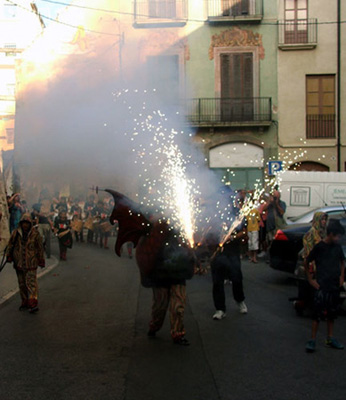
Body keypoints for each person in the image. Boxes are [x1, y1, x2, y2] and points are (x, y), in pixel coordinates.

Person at [305, 219, 345, 353]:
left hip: (333, 284)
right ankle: (312, 339)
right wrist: (310, 279)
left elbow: (342, 262)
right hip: (321, 285)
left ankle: (330, 338)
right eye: (337, 236)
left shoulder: (337, 247)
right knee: (317, 314)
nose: (339, 239)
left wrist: (341, 277)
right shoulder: (320, 247)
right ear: (331, 234)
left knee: (332, 314)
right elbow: (307, 261)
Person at [6, 214, 45, 313]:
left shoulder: (35, 234)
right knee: (22, 284)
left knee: (31, 283)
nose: (25, 226)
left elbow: (40, 248)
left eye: (27, 224)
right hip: (18, 262)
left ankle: (33, 303)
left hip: (31, 263)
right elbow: (10, 245)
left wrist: (41, 259)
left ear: (30, 224)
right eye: (24, 223)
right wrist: (9, 255)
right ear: (21, 224)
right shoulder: (16, 233)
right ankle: (25, 302)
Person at [211, 220, 248, 320]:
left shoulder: (236, 214)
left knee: (236, 277)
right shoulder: (213, 215)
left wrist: (232, 237)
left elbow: (244, 232)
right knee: (217, 281)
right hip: (217, 253)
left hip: (232, 252)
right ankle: (220, 309)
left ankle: (239, 300)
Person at [295, 212, 328, 312]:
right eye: (322, 219)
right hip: (311, 264)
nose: (324, 222)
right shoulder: (311, 233)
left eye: (325, 220)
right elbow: (308, 250)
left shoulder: (323, 232)